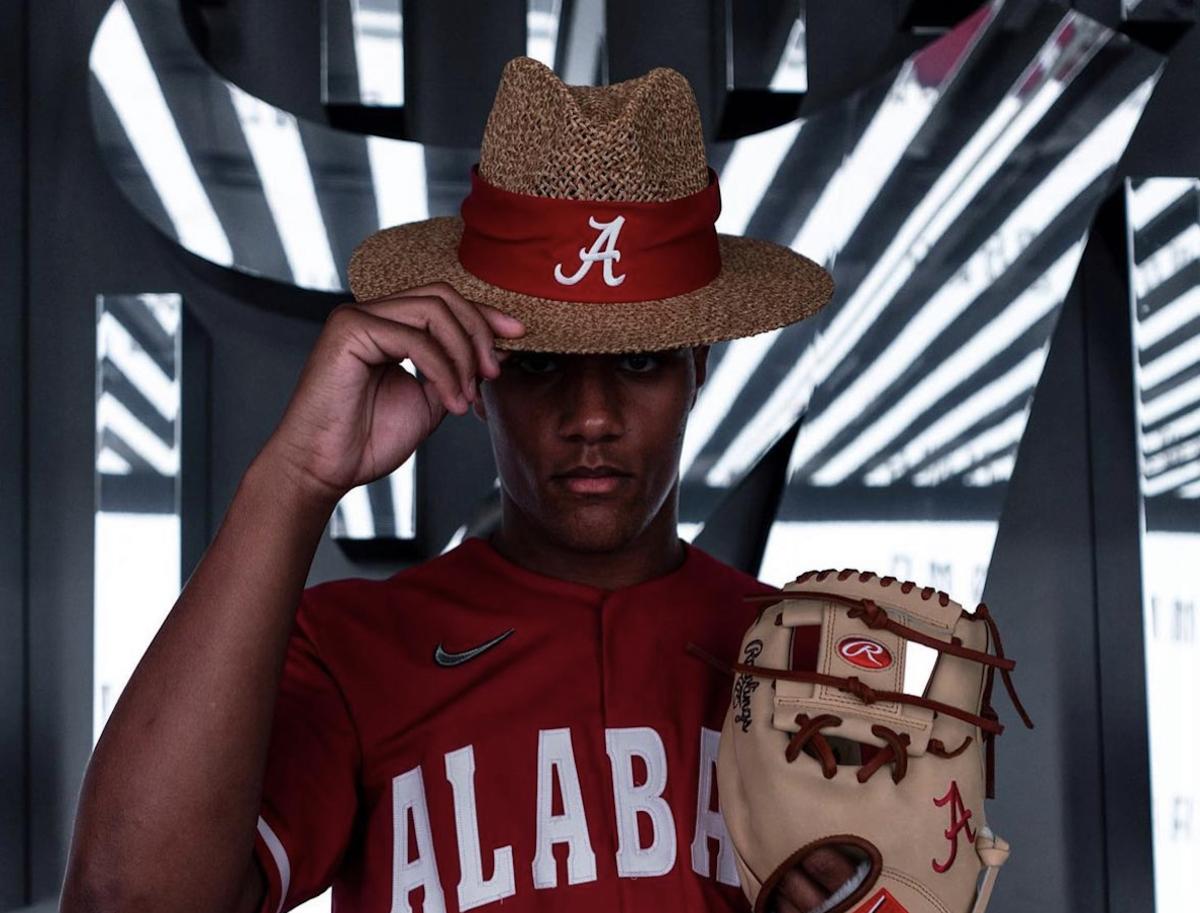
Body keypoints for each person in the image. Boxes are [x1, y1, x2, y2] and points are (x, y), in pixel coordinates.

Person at [61, 56, 850, 913]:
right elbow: (125, 899)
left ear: (697, 365)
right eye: (539, 359)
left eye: (638, 358)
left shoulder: (809, 666)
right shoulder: (353, 648)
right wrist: (295, 477)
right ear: (478, 370)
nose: (591, 416)